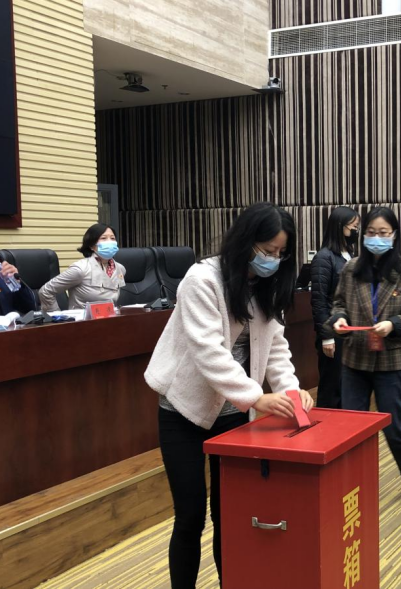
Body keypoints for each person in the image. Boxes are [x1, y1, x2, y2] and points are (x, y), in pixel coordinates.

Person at [145, 202, 314, 588]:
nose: (273, 259)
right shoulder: (202, 279)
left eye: (280, 253)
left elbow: (275, 347)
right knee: (190, 516)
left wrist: (290, 392)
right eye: (267, 250)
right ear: (245, 241)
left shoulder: (267, 284)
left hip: (234, 414)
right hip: (184, 410)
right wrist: (257, 398)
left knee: (230, 513)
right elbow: (209, 351)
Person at [329, 206, 401, 507]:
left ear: (394, 235)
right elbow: (339, 303)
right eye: (371, 232)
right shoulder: (352, 268)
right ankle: (355, 481)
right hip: (355, 357)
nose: (376, 238)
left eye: (383, 233)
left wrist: (394, 324)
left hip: (392, 359)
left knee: (393, 424)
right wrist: (339, 319)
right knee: (352, 425)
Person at [310, 206, 360, 408]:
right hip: (333, 331)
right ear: (340, 226)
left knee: (348, 386)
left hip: (350, 329)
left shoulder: (350, 254)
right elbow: (319, 301)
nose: (356, 231)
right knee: (332, 388)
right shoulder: (324, 257)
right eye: (353, 227)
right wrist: (327, 336)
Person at [38, 223, 127, 311]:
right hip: (83, 319)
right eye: (103, 238)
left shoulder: (120, 269)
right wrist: (57, 316)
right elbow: (46, 291)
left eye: (112, 238)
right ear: (92, 246)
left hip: (109, 318)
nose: (109, 242)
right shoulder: (81, 269)